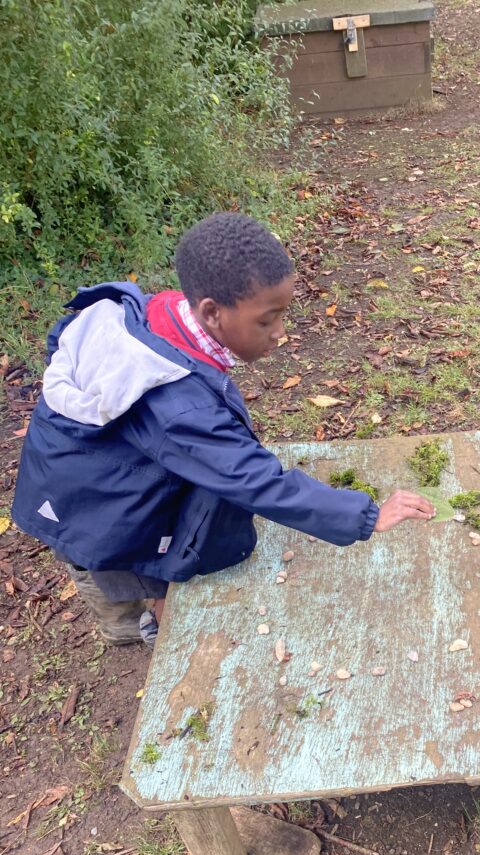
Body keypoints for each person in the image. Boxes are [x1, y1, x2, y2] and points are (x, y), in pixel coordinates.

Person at [12, 213, 436, 647]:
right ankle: (135, 628)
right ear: (212, 312)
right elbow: (250, 478)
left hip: (93, 469)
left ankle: (133, 609)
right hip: (87, 503)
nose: (280, 334)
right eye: (267, 320)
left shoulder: (162, 315)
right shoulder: (176, 406)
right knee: (114, 565)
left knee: (113, 559)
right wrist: (366, 516)